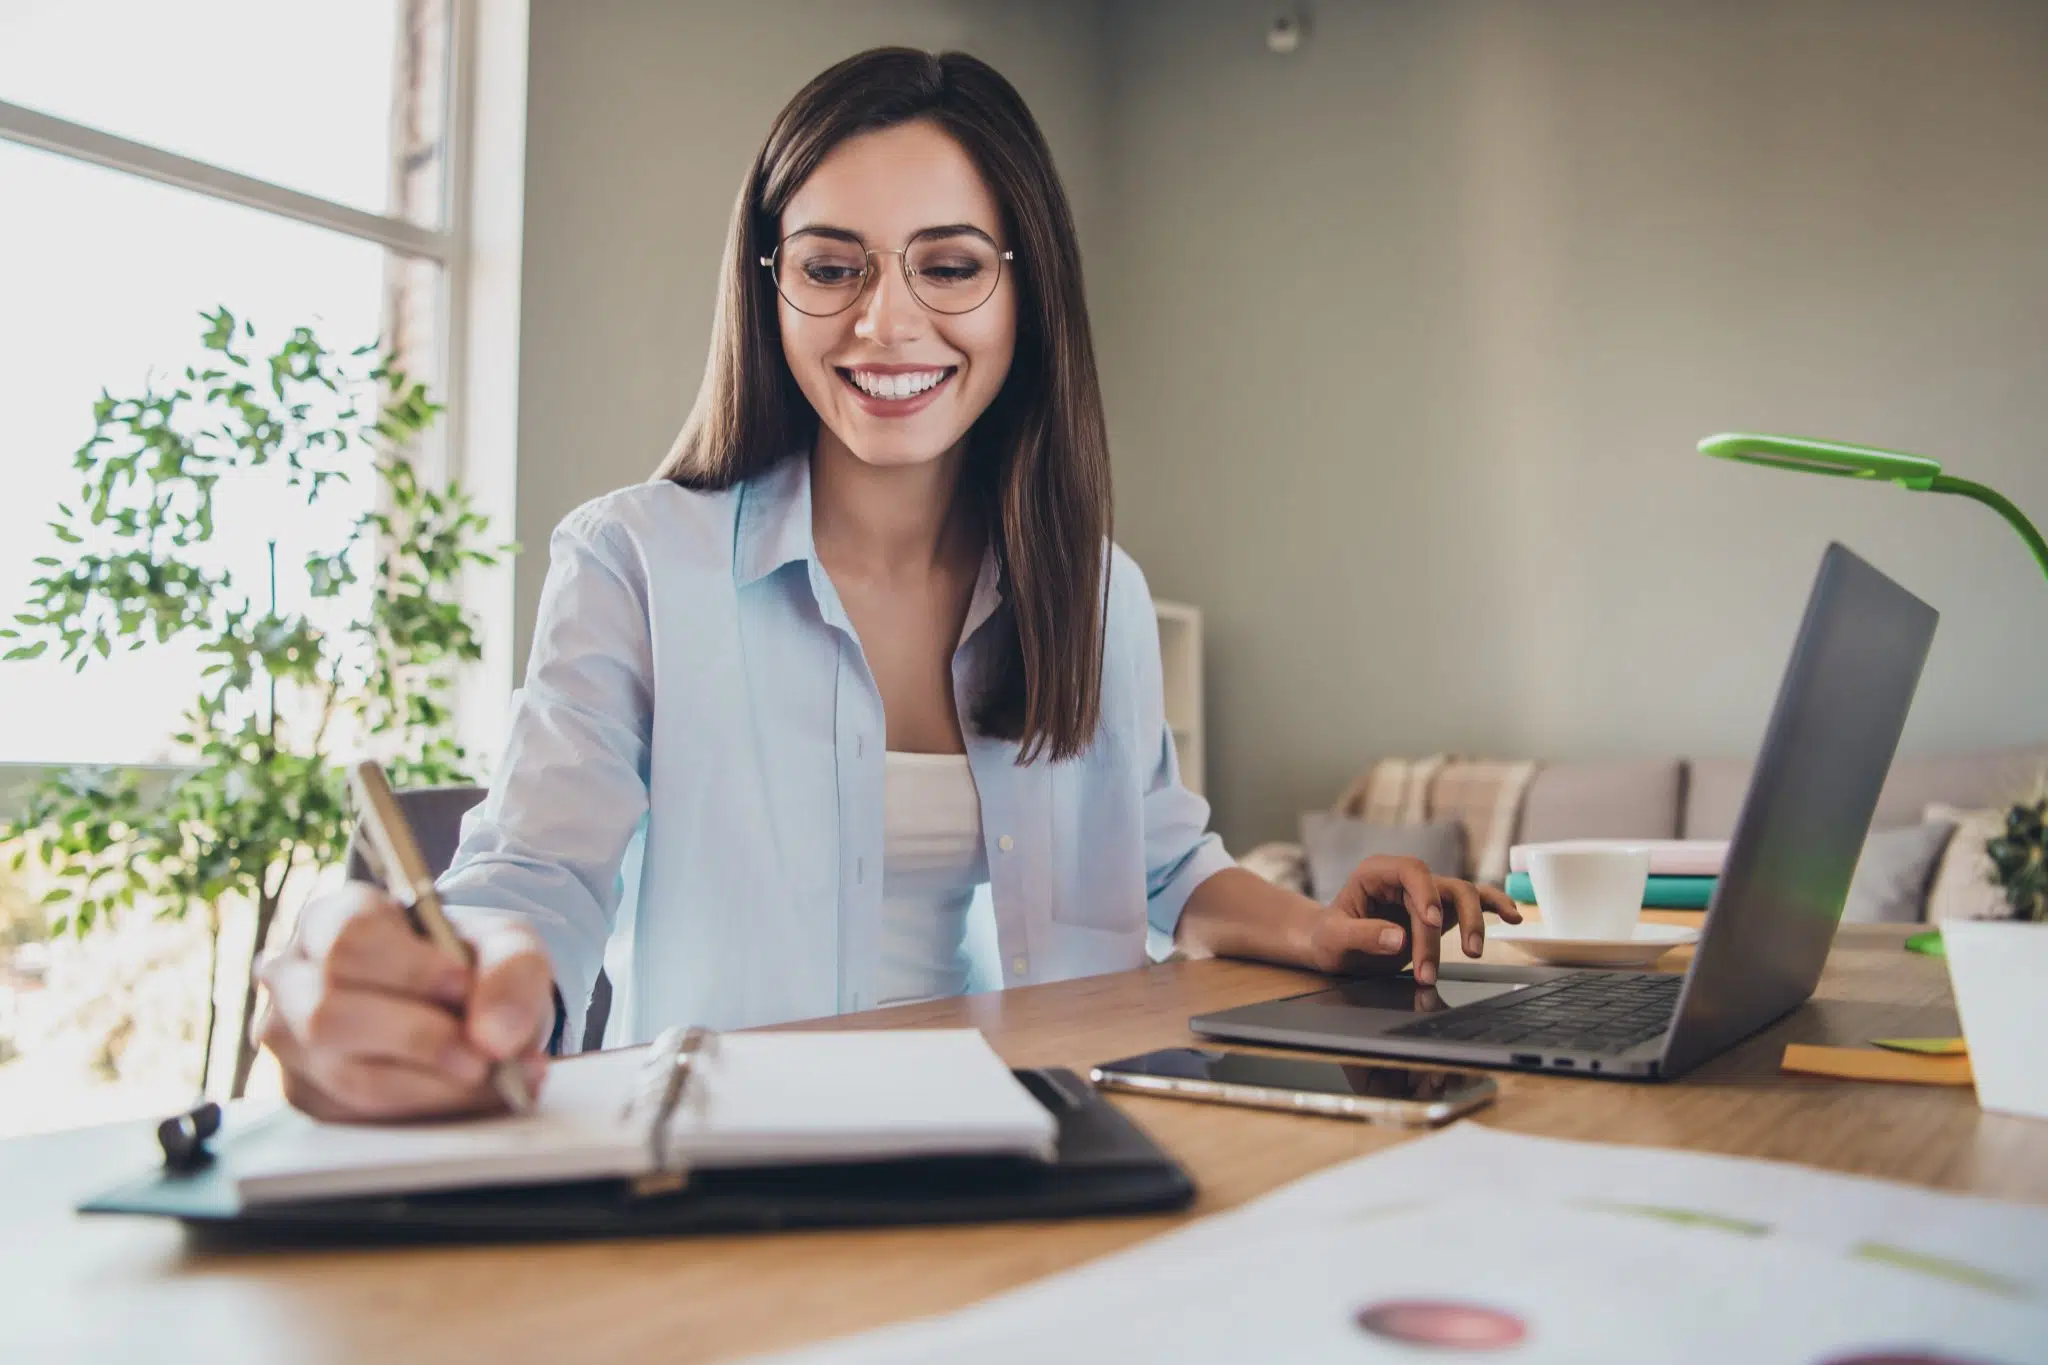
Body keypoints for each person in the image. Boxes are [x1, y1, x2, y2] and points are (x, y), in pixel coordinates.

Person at [256, 47, 1521, 1121]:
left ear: (1024, 287)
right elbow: (533, 878)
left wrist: (1317, 928)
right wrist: (456, 978)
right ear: (771, 286)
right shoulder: (633, 561)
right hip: (745, 1166)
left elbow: (1160, 858)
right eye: (831, 265)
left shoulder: (1091, 593)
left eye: (950, 265)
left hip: (1051, 1139)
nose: (887, 325)